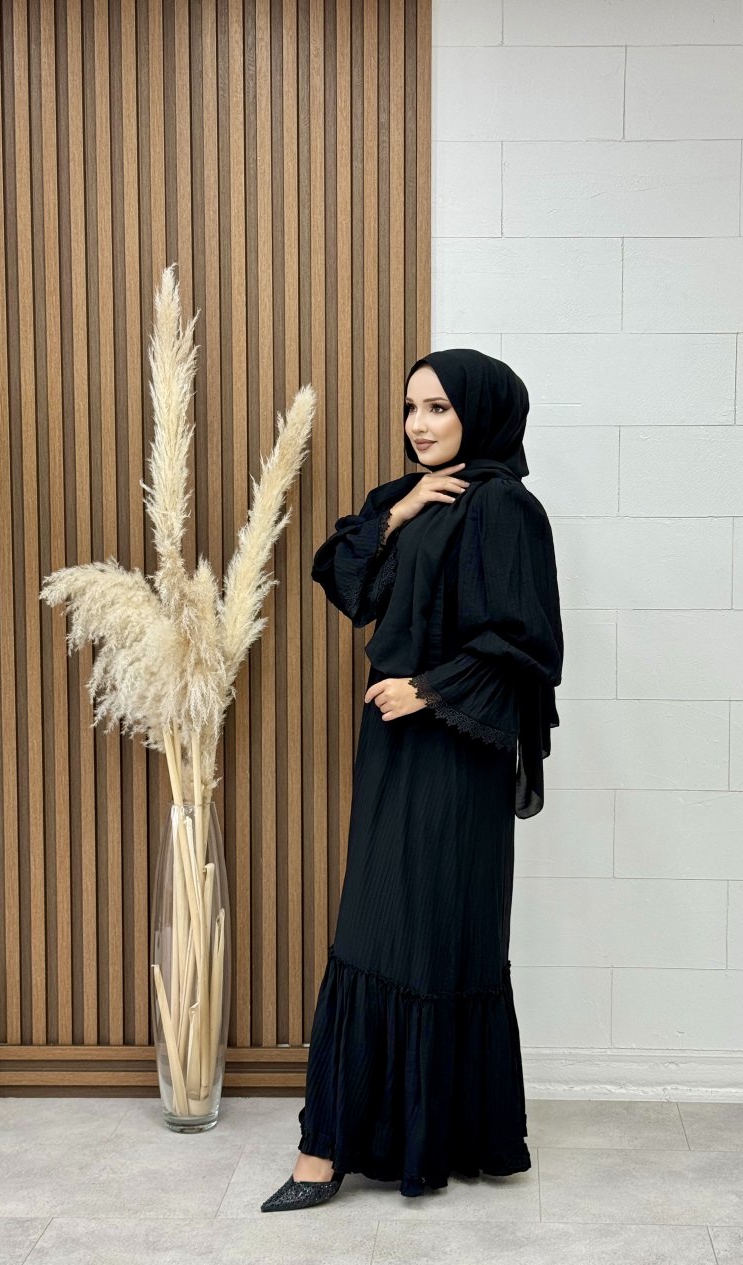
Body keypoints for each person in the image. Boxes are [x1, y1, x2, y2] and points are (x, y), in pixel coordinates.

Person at [260, 347, 564, 1211]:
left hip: (453, 749)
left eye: (438, 408)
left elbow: (527, 646)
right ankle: (395, 1136)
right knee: (387, 925)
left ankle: (325, 1152)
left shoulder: (506, 507)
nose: (418, 425)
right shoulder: (417, 496)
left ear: (480, 412)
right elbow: (346, 579)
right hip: (396, 744)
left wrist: (426, 689)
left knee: (418, 930)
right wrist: (397, 511)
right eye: (410, 408)